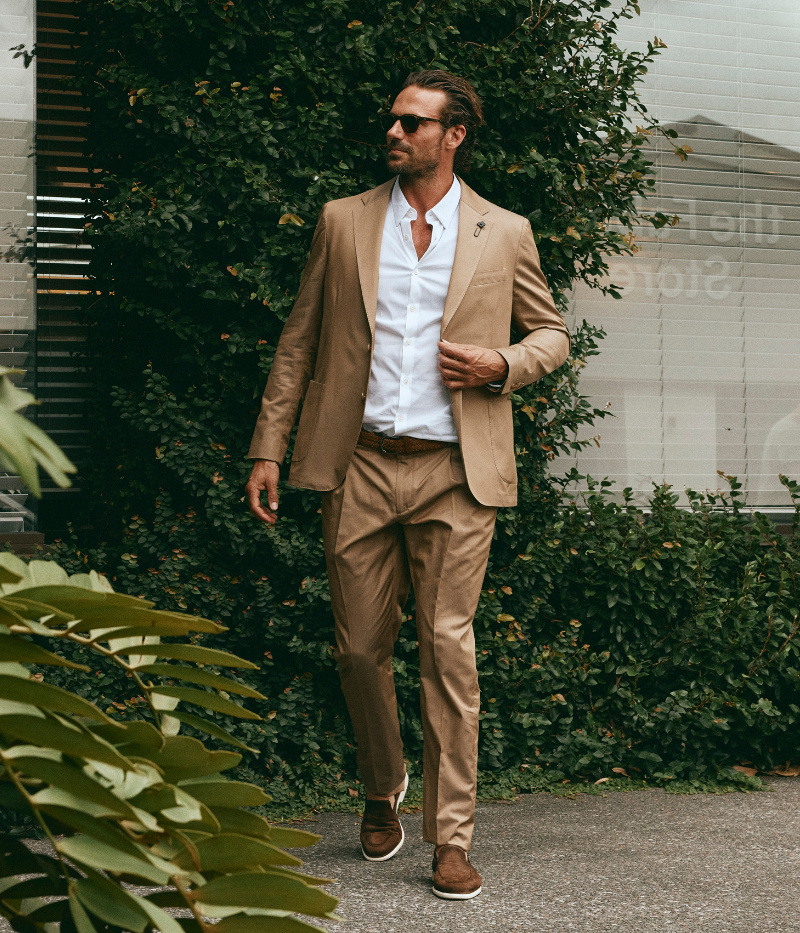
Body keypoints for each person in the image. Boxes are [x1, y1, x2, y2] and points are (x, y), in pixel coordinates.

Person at [246, 69, 569, 900]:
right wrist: (268, 447)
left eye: (412, 122)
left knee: (447, 648)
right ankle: (380, 783)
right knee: (359, 648)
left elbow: (552, 335)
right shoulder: (343, 220)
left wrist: (500, 363)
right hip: (357, 461)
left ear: (453, 135)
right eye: (392, 120)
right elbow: (299, 340)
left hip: (457, 471)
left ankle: (451, 836)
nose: (394, 132)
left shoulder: (504, 230)